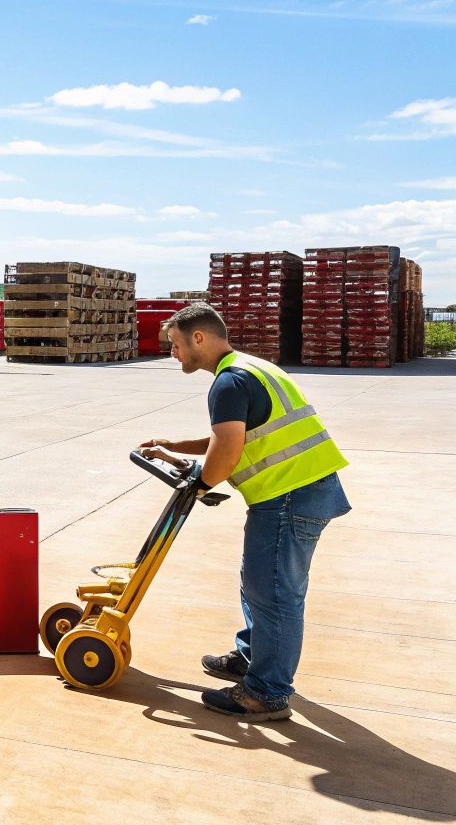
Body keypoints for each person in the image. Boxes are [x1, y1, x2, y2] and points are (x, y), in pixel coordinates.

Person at [137, 302, 351, 722]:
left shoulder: (229, 381)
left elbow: (228, 451)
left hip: (290, 494)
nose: (172, 353)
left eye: (175, 344)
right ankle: (253, 658)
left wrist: (201, 484)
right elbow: (233, 435)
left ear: (199, 338)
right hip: (299, 490)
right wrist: (174, 447)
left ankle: (266, 693)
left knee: (274, 594)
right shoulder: (250, 368)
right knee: (259, 583)